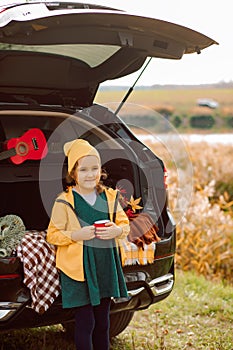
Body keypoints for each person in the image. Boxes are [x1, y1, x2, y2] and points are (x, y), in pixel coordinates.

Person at [46, 139, 130, 350]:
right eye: (83, 169)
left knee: (103, 322)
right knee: (86, 323)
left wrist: (117, 230)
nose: (90, 174)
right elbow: (52, 235)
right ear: (73, 173)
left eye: (94, 168)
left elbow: (124, 224)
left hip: (104, 265)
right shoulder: (64, 201)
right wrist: (77, 234)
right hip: (78, 270)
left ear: (101, 171)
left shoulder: (109, 197)